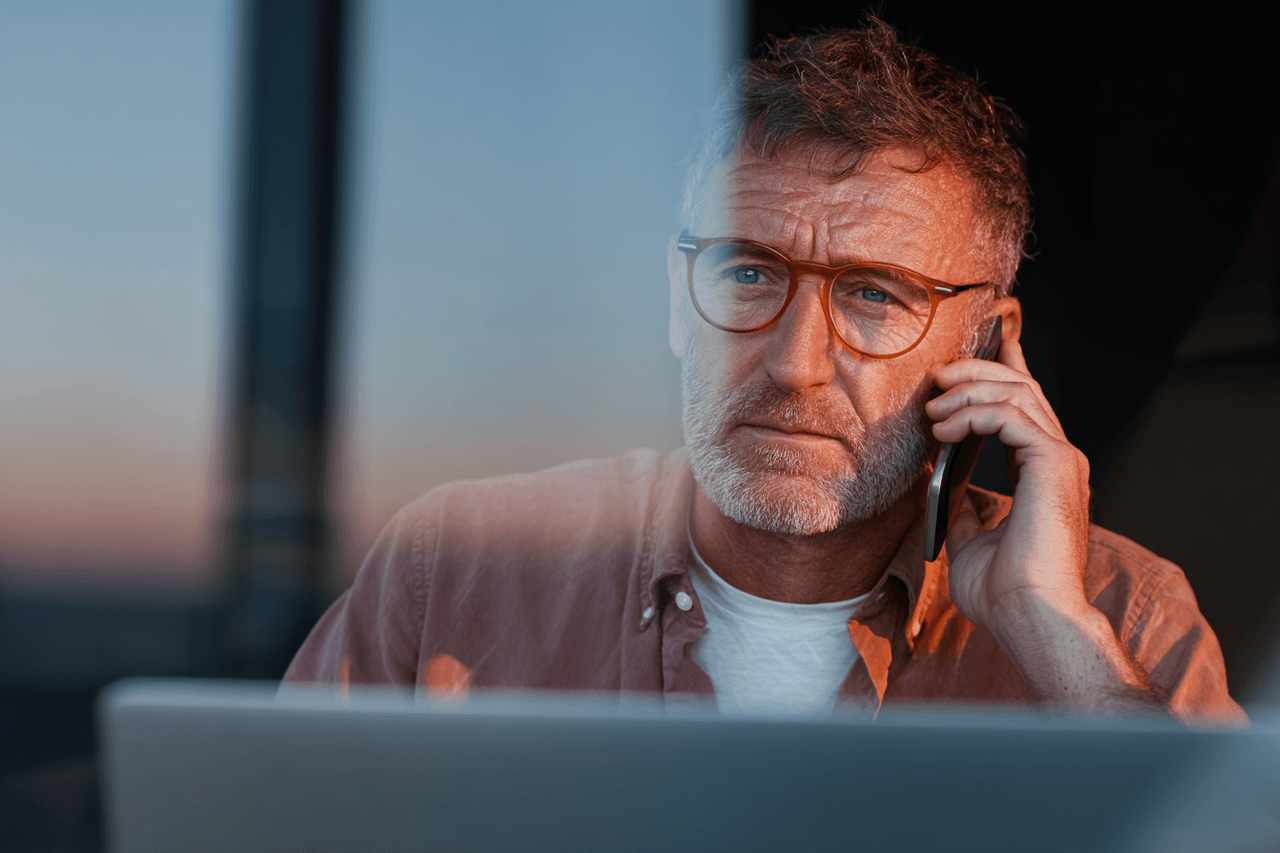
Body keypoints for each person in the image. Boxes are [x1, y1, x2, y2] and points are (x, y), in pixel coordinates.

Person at [285, 22, 1244, 724]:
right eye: (747, 273)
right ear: (675, 298)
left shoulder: (1118, 614)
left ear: (987, 345)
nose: (794, 363)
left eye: (875, 295)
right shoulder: (451, 568)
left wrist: (1052, 635)